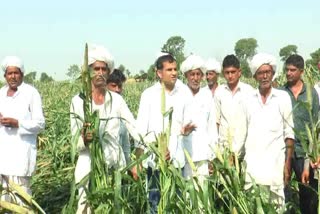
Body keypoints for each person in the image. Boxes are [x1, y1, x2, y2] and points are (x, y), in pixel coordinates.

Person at [70, 45, 140, 213]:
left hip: (114, 168)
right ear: (88, 72)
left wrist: (142, 151)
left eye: (104, 69)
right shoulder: (78, 101)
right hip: (88, 168)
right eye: (96, 69)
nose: (100, 72)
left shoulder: (117, 101)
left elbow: (133, 126)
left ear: (108, 72)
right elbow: (74, 142)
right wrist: (84, 139)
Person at [135, 53, 187, 213]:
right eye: (169, 69)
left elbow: (187, 123)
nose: (174, 73)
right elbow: (141, 130)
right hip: (154, 163)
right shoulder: (149, 95)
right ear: (159, 73)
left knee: (176, 205)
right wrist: (138, 161)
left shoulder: (184, 93)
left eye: (175, 69)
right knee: (155, 206)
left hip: (177, 164)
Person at [244, 53, 294, 209]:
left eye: (268, 72)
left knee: (276, 209)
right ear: (255, 76)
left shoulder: (283, 98)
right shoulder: (248, 99)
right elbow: (243, 133)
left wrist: (287, 165)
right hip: (252, 169)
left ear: (273, 74)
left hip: (275, 168)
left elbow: (289, 134)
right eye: (260, 73)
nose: (264, 76)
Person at [0, 56, 45, 203]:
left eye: (16, 73)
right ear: (4, 76)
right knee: (4, 201)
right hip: (3, 156)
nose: (12, 76)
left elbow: (40, 124)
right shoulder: (1, 94)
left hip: (21, 156)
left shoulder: (31, 93)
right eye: (9, 73)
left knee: (22, 201)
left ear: (22, 74)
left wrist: (17, 123)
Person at [280, 54, 319, 214]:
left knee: (308, 196)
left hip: (305, 153)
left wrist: (313, 156)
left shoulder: (311, 93)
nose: (288, 73)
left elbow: (316, 125)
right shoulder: (280, 93)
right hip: (285, 152)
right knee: (285, 194)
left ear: (301, 71)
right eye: (287, 70)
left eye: (293, 70)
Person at [179, 54, 218, 181]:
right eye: (192, 74)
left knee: (202, 197)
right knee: (186, 196)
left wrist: (213, 155)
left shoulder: (207, 95)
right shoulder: (180, 94)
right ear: (186, 76)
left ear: (202, 76)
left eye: (198, 74)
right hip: (184, 156)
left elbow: (212, 126)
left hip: (203, 155)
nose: (195, 78)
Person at [214, 54, 253, 158]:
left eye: (233, 72)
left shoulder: (249, 92)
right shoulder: (219, 92)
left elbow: (252, 121)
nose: (230, 76)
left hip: (244, 150)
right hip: (224, 151)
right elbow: (217, 121)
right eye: (227, 73)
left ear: (239, 72)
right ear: (223, 73)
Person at [106, 69, 131, 164]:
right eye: (113, 86)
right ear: (105, 85)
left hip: (119, 166)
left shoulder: (122, 109)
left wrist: (129, 164)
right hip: (102, 168)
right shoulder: (99, 109)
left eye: (119, 86)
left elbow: (125, 143)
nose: (117, 90)